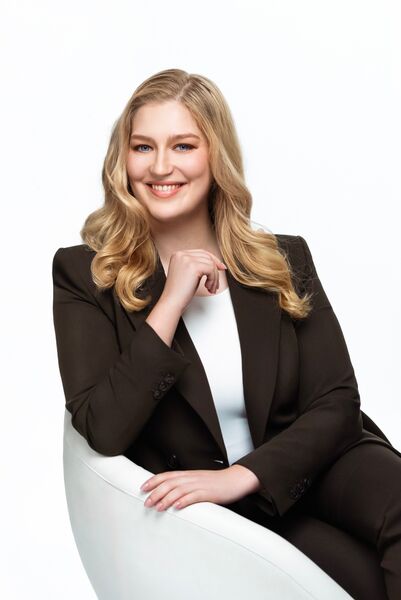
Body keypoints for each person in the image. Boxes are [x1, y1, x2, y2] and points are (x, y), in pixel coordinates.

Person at [52, 68, 401, 600]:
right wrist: (170, 301)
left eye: (183, 145)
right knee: (364, 583)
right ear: (122, 159)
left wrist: (243, 475)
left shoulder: (281, 257)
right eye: (143, 147)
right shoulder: (85, 274)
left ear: (216, 156)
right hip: (212, 510)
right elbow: (102, 428)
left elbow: (336, 400)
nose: (161, 166)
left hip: (312, 465)